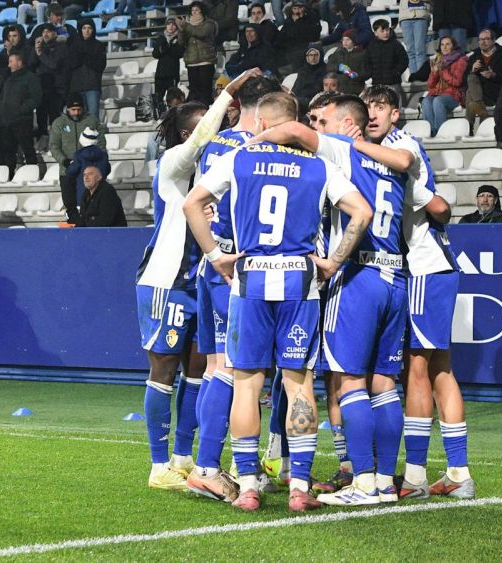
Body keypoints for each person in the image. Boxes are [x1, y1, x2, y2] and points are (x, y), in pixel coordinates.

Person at [186, 92, 373, 511]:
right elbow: (362, 212)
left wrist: (215, 257)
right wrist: (332, 262)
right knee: (298, 383)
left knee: (247, 384)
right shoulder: (318, 165)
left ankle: (248, 485)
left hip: (250, 279)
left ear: (261, 123)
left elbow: (191, 203)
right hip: (299, 282)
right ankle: (299, 486)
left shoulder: (239, 158)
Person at [247, 94, 423, 507]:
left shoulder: (343, 148)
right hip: (396, 275)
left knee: (349, 383)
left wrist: (250, 145)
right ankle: (384, 482)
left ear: (347, 124)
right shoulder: (388, 159)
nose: (316, 128)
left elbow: (293, 130)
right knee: (385, 384)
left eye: (323, 121)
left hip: (358, 276)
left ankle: (362, 482)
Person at [134, 69, 258, 492]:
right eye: (207, 125)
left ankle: (184, 458)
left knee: (198, 370)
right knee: (163, 370)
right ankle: (157, 465)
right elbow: (199, 141)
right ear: (190, 133)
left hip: (200, 280)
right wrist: (229, 94)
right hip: (166, 281)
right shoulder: (172, 163)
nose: (217, 131)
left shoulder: (216, 176)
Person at [347, 85, 471, 500]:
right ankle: (458, 473)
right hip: (433, 265)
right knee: (439, 370)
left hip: (422, 267)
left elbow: (438, 206)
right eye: (367, 107)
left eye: (380, 107)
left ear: (395, 114)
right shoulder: (387, 147)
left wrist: (354, 142)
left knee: (416, 370)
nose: (372, 113)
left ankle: (415, 476)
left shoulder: (400, 146)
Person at [186, 76, 287, 501]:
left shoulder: (216, 143)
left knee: (214, 368)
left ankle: (206, 462)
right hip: (236, 269)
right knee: (236, 370)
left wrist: (212, 253)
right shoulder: (254, 151)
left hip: (211, 265)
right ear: (263, 110)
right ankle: (210, 466)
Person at [50, 95, 106, 224]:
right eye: (73, 110)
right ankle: (74, 226)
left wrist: (96, 161)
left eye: (79, 109)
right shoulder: (59, 123)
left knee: (89, 203)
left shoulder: (92, 121)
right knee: (70, 204)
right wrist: (64, 161)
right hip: (66, 171)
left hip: (87, 171)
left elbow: (101, 143)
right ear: (67, 109)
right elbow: (54, 146)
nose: (76, 112)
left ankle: (88, 226)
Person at [0, 52, 42, 175]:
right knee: (9, 151)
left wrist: (20, 110)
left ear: (19, 62)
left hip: (22, 120)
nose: (8, 65)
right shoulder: (9, 79)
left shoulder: (30, 78)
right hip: (7, 121)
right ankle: (9, 176)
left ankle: (33, 174)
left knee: (28, 149)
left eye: (11, 62)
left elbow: (36, 98)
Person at [464, 29, 502, 132]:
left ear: (493, 40)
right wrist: (472, 69)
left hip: (496, 92)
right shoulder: (474, 56)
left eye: (486, 39)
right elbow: (464, 80)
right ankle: (482, 115)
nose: (482, 42)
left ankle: (469, 127)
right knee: (471, 78)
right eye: (480, 39)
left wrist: (494, 75)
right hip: (481, 93)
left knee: (470, 94)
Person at [423, 36, 466, 136]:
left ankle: (440, 133)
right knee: (425, 101)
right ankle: (431, 132)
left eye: (448, 44)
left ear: (453, 46)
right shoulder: (438, 59)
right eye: (442, 44)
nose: (444, 47)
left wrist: (443, 71)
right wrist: (434, 73)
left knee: (438, 101)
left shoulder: (461, 60)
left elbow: (457, 82)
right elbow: (430, 85)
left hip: (454, 95)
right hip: (437, 93)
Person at [179, 2, 218, 105]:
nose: (194, 12)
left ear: (202, 11)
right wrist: (181, 30)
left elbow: (201, 33)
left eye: (196, 10)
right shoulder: (187, 25)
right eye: (192, 10)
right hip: (191, 62)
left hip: (206, 61)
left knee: (205, 91)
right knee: (194, 92)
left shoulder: (209, 23)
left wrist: (185, 26)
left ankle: (206, 109)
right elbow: (181, 42)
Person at [68, 20, 106, 119]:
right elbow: (70, 64)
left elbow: (101, 65)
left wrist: (86, 57)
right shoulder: (73, 46)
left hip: (93, 87)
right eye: (84, 28)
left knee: (93, 116)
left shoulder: (99, 45)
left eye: (89, 28)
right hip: (76, 87)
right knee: (79, 117)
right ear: (80, 30)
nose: (87, 31)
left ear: (93, 30)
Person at [363, 19, 408, 99]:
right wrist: (371, 73)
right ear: (376, 33)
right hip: (377, 84)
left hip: (393, 83)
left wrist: (397, 72)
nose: (385, 33)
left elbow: (404, 60)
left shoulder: (396, 44)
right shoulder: (371, 46)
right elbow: (367, 62)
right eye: (382, 31)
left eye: (387, 30)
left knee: (395, 104)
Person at [275, 0, 321, 74]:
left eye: (300, 8)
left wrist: (297, 22)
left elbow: (311, 36)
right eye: (295, 8)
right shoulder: (289, 20)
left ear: (304, 8)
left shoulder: (311, 18)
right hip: (289, 46)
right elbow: (282, 35)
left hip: (305, 45)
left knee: (297, 52)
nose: (297, 11)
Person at [152, 18, 185, 108]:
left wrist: (169, 48)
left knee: (173, 98)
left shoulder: (179, 38)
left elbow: (179, 53)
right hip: (160, 74)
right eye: (169, 24)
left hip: (172, 74)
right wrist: (161, 49)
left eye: (173, 24)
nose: (171, 26)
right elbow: (155, 54)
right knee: (158, 99)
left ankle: (172, 113)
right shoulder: (161, 38)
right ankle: (159, 114)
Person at [326, 30, 368, 96]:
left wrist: (357, 76)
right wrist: (338, 67)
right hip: (340, 90)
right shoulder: (337, 54)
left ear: (353, 41)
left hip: (356, 90)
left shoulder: (362, 54)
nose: (345, 42)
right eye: (343, 40)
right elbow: (328, 67)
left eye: (348, 40)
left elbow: (366, 72)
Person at [399, 0, 432, 81]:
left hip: (421, 16)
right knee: (410, 51)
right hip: (405, 17)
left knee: (420, 50)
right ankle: (414, 78)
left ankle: (422, 78)